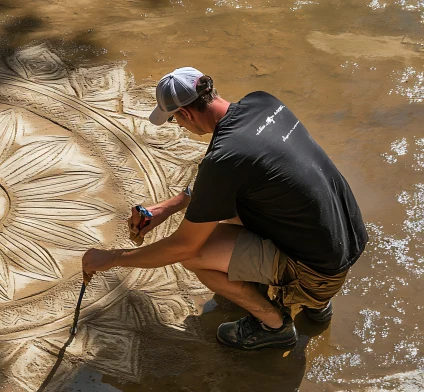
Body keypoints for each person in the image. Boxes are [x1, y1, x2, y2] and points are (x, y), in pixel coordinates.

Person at [82, 67, 367, 350]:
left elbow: (183, 246)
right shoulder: (263, 103)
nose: (180, 127)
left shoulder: (225, 157)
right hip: (345, 237)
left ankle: (273, 326)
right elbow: (232, 179)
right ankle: (316, 307)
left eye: (174, 121)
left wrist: (112, 258)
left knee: (196, 255)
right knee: (245, 201)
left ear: (186, 114)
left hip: (316, 273)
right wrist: (167, 208)